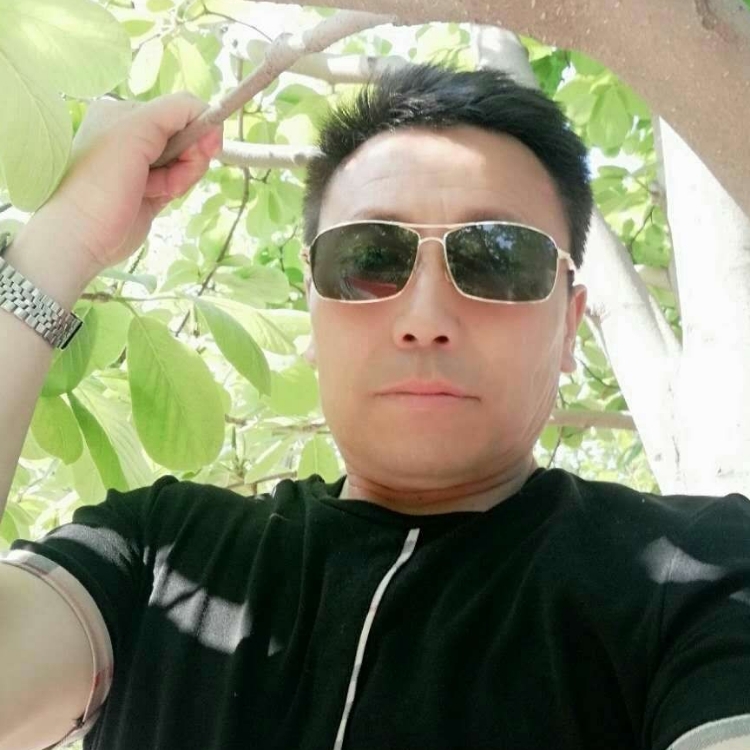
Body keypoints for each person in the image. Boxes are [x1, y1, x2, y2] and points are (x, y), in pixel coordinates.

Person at [0, 62, 748, 750]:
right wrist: (62, 243)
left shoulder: (702, 570)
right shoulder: (156, 554)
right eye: (370, 259)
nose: (425, 317)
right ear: (312, 310)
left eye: (497, 258)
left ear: (568, 325)